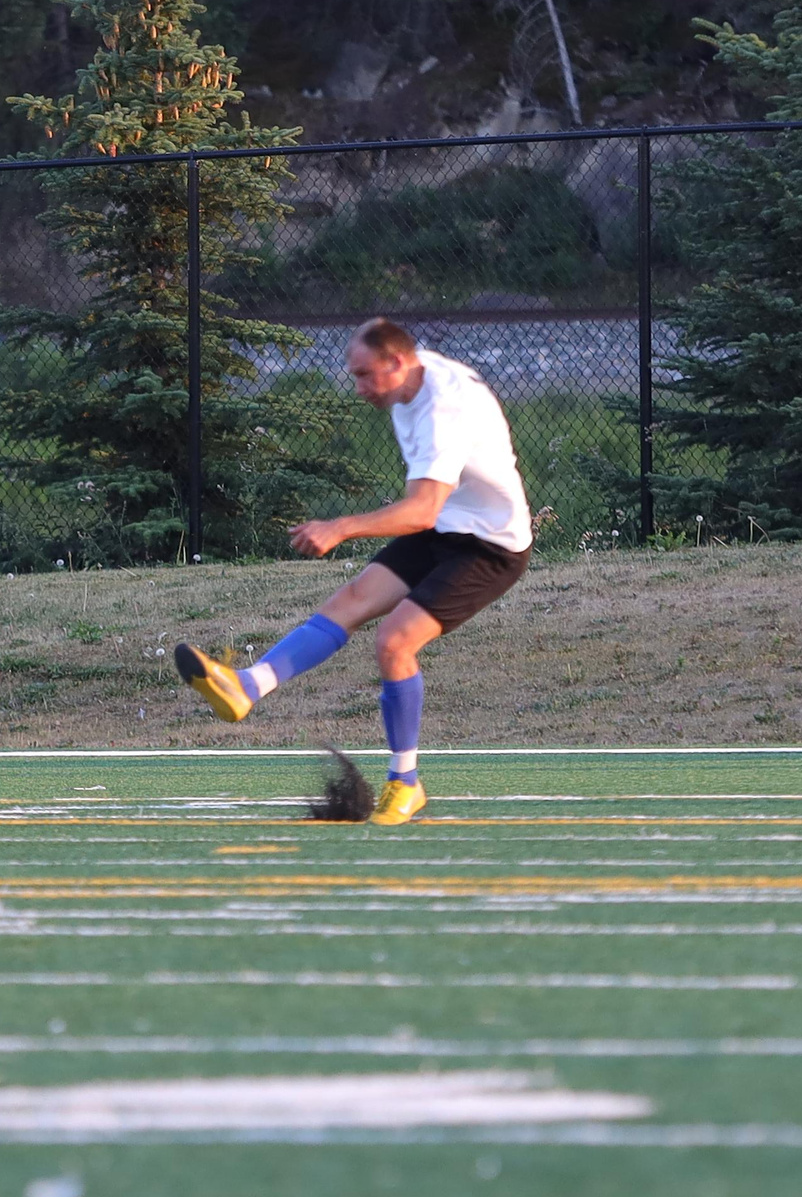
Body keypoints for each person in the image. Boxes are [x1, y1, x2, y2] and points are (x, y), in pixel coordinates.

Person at [174, 317, 533, 824]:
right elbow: (429, 512)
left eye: (366, 375)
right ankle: (247, 686)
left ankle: (405, 784)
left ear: (397, 362)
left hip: (490, 546)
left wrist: (341, 526)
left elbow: (422, 509)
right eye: (354, 375)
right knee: (349, 603)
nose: (359, 387)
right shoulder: (410, 382)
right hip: (445, 526)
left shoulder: (443, 407)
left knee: (394, 641)